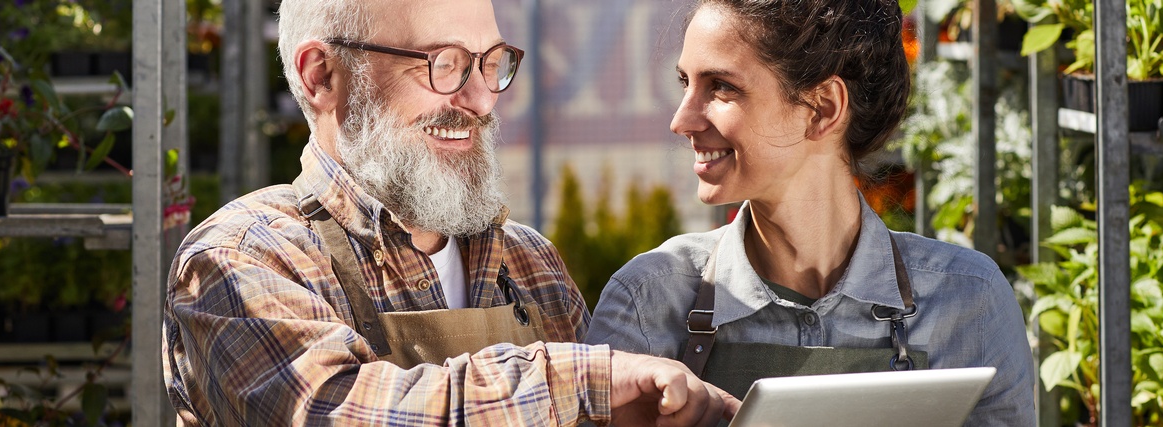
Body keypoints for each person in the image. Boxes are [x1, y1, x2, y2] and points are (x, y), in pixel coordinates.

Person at [162, 0, 739, 425]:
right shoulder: (243, 258)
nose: (482, 98)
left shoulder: (527, 261)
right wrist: (586, 379)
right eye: (443, 63)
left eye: (491, 63)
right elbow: (335, 411)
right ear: (322, 77)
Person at [584, 0, 1036, 425]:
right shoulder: (648, 301)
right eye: (686, 83)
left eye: (721, 86)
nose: (681, 120)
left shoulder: (969, 300)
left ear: (822, 109)